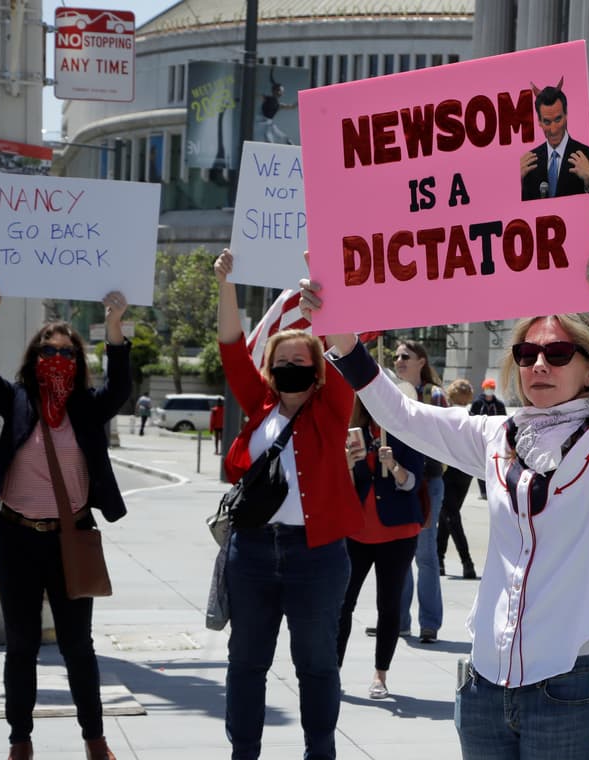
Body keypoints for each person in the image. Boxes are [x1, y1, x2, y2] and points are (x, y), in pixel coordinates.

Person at [303, 229, 589, 758]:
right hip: (484, 685)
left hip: (574, 683)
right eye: (526, 353)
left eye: (558, 352)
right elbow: (405, 416)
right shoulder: (495, 433)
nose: (538, 364)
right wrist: (343, 344)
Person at [0, 285, 131, 760]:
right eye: (47, 350)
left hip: (69, 540)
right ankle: (20, 741)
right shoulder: (17, 401)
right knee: (21, 646)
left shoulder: (86, 407)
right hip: (17, 539)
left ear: (77, 361)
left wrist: (115, 326)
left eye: (65, 351)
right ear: (33, 358)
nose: (56, 357)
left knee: (78, 646)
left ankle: (94, 739)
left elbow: (119, 387)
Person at [214, 250, 363, 760]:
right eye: (283, 362)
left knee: (317, 663)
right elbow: (233, 348)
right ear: (271, 370)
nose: (292, 367)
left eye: (303, 361)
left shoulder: (332, 405)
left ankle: (319, 751)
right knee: (246, 662)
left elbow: (351, 347)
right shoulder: (258, 405)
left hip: (316, 557)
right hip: (252, 554)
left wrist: (333, 292)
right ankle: (244, 752)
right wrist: (227, 284)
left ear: (318, 371)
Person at [336, 397, 425, 700]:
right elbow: (343, 488)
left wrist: (393, 465)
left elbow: (413, 482)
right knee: (341, 604)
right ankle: (331, 671)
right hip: (356, 531)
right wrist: (346, 465)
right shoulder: (353, 432)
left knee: (388, 606)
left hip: (397, 532)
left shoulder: (405, 430)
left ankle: (380, 676)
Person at [392, 339, 447, 643]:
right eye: (397, 356)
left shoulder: (435, 395)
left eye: (405, 356)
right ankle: (398, 621)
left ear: (421, 362)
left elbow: (449, 433)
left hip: (427, 480)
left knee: (425, 554)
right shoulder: (392, 394)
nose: (399, 360)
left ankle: (429, 623)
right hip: (398, 480)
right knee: (399, 552)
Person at [519, 84, 589, 201]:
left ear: (566, 115)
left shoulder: (588, 156)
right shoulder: (528, 164)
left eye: (558, 119)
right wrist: (516, 184)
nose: (553, 129)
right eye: (547, 122)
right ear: (539, 121)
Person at [438, 378, 479, 579]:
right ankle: (439, 558)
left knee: (450, 515)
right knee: (448, 515)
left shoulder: (447, 415)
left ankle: (466, 561)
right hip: (465, 473)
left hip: (447, 471)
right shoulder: (472, 416)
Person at [469, 379, 506, 499]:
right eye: (487, 388)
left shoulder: (499, 404)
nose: (489, 390)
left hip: (495, 438)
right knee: (481, 464)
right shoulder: (477, 403)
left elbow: (504, 420)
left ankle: (493, 490)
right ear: (484, 389)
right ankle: (483, 492)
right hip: (479, 437)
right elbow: (471, 419)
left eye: (491, 388)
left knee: (494, 465)